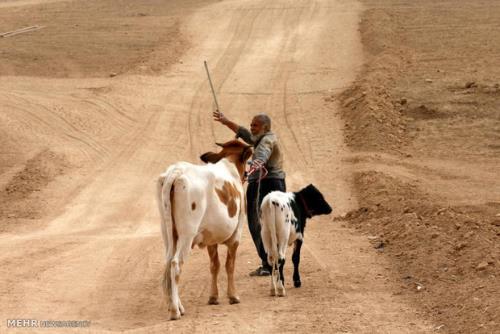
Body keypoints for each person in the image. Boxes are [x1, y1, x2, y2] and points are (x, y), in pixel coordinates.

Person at [213, 110, 286, 276]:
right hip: (278, 183)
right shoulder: (264, 136)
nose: (252, 128)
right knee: (276, 223)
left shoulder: (266, 141)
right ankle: (275, 261)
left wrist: (247, 173)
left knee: (256, 223)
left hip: (263, 184)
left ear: (265, 127)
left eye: (255, 125)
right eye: (252, 124)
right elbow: (245, 135)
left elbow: (260, 158)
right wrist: (226, 121)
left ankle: (268, 263)